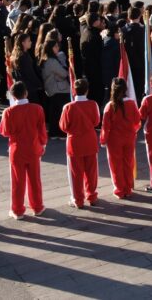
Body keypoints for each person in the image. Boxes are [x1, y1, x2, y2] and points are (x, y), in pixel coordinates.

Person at [0, 82, 47, 219]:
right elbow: (42, 129)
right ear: (26, 93)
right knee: (35, 180)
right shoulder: (37, 108)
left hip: (16, 150)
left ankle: (18, 210)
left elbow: (4, 131)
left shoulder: (8, 112)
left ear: (13, 96)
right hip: (33, 148)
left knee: (17, 182)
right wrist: (43, 143)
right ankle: (37, 207)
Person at [59, 77, 101, 208]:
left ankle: (78, 200)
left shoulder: (68, 107)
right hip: (90, 141)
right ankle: (92, 196)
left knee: (76, 174)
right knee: (91, 172)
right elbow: (96, 122)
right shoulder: (93, 104)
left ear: (74, 91)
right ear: (87, 91)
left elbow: (63, 126)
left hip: (75, 143)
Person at [100, 78, 141, 198]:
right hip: (129, 137)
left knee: (116, 165)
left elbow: (105, 126)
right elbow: (137, 121)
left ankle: (119, 189)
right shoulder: (132, 103)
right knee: (128, 163)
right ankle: (128, 188)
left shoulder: (109, 106)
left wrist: (103, 140)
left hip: (114, 140)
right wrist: (133, 131)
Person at [39, 39, 71, 139]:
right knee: (59, 112)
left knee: (54, 112)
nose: (58, 48)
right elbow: (64, 73)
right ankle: (60, 132)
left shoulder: (45, 59)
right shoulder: (52, 61)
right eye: (55, 46)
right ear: (50, 49)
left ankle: (54, 132)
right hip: (58, 89)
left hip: (52, 88)